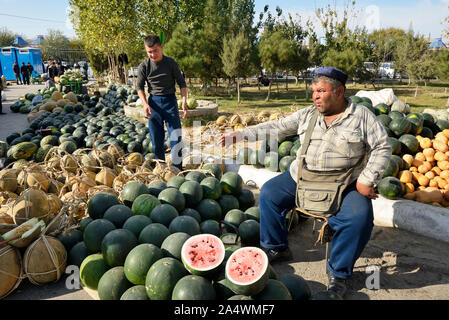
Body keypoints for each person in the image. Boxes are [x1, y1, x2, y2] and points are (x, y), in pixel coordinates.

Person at [219, 67, 391, 299]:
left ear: (339, 92)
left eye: (321, 91)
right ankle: (276, 247)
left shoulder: (361, 116)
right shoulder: (308, 114)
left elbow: (382, 146)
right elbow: (276, 127)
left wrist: (367, 179)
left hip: (345, 182)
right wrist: (240, 135)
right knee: (269, 193)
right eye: (313, 91)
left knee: (359, 218)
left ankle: (338, 272)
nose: (315, 96)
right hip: (303, 176)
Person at [136, 34, 188, 170]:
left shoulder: (171, 63)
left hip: (170, 102)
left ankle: (177, 169)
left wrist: (184, 101)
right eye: (149, 52)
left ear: (161, 47)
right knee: (156, 140)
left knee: (175, 138)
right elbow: (139, 87)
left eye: (155, 51)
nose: (152, 55)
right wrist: (145, 104)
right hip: (153, 104)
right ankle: (161, 167)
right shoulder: (144, 66)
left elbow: (182, 83)